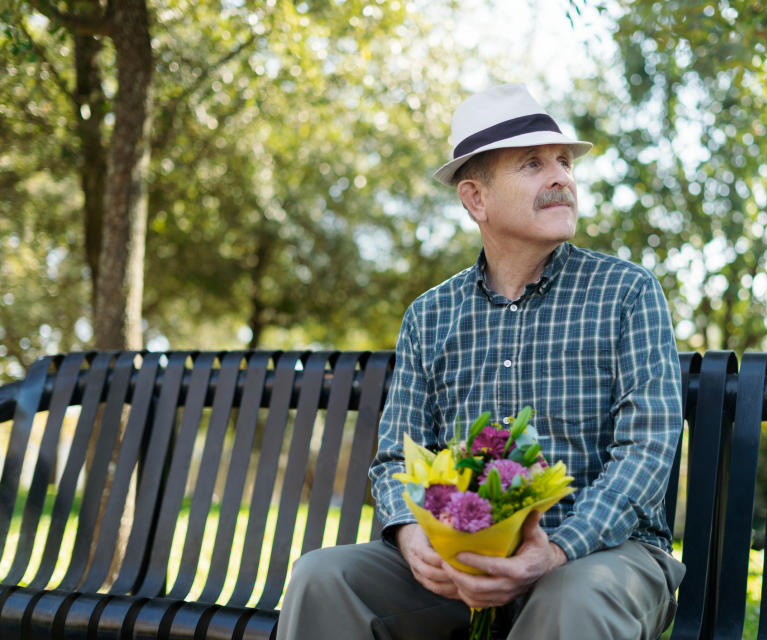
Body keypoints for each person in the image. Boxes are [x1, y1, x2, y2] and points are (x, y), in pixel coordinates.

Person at [278, 83, 685, 640]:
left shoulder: (627, 292)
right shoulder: (430, 315)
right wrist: (410, 536)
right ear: (475, 199)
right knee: (321, 578)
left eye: (564, 161)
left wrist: (556, 551)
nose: (561, 176)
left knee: (571, 601)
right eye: (532, 163)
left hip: (602, 558)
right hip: (458, 568)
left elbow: (648, 449)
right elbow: (397, 456)